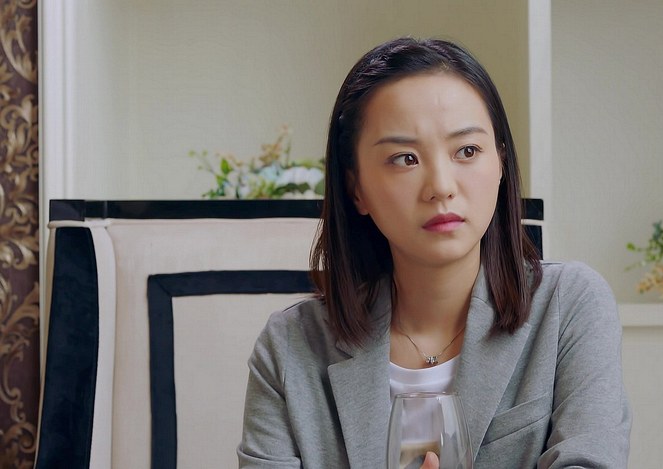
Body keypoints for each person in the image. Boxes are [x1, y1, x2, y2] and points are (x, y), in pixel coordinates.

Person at [238, 37, 631, 468]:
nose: (441, 186)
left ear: (500, 163)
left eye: (467, 151)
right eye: (405, 158)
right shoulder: (290, 347)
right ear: (356, 188)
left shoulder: (569, 305)